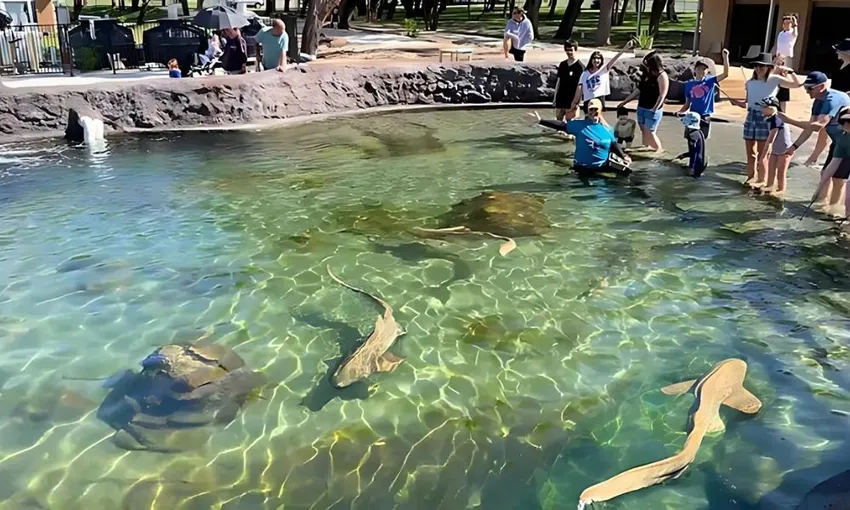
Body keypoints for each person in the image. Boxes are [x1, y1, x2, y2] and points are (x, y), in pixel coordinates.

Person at [727, 52, 800, 187]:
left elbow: (797, 85)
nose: (759, 69)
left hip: (766, 118)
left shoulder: (774, 80)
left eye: (762, 66)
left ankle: (761, 180)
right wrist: (736, 102)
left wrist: (790, 72)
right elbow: (747, 103)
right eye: (756, 66)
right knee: (750, 153)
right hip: (751, 117)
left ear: (768, 67)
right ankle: (750, 178)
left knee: (763, 153)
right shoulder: (749, 83)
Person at [780, 73, 850, 213]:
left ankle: (835, 211)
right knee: (825, 173)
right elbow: (810, 127)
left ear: (822, 87)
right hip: (838, 142)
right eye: (805, 88)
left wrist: (790, 121)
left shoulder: (831, 100)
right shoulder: (818, 100)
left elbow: (819, 126)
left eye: (809, 89)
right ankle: (821, 204)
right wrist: (794, 147)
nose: (807, 92)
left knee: (838, 179)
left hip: (846, 140)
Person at [530, 98, 632, 175]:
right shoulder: (580, 125)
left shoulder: (607, 129)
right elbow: (562, 126)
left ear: (600, 110)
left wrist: (624, 156)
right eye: (590, 110)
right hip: (582, 168)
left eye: (595, 110)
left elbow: (613, 145)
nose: (593, 112)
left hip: (601, 167)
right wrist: (541, 121)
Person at [806, 38, 850, 166]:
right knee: (823, 129)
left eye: (839, 50)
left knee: (834, 129)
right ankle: (815, 156)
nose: (836, 52)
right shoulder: (839, 64)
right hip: (831, 98)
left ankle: (828, 159)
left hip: (843, 103)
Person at [616, 51, 669, 152]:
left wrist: (655, 108)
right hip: (642, 107)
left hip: (653, 109)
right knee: (643, 130)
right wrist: (625, 101)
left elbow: (662, 94)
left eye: (647, 63)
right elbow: (638, 89)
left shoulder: (662, 75)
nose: (645, 65)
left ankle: (659, 151)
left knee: (650, 131)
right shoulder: (646, 74)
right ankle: (646, 148)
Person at [678, 49, 730, 139]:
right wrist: (680, 112)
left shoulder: (710, 81)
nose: (701, 71)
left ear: (707, 71)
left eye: (704, 69)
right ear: (695, 70)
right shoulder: (689, 85)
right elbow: (687, 103)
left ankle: (700, 152)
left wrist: (725, 58)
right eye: (699, 68)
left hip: (705, 115)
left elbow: (725, 74)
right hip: (693, 115)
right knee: (690, 137)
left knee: (702, 138)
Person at [575, 40, 633, 117]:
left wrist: (625, 48)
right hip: (588, 99)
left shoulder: (603, 70)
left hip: (599, 98)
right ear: (591, 60)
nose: (596, 60)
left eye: (598, 58)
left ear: (601, 60)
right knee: (588, 118)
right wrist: (576, 101)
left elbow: (614, 59)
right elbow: (580, 87)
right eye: (594, 58)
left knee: (599, 118)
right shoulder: (585, 73)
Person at [811, 108, 850, 219]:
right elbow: (834, 163)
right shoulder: (843, 138)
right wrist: (819, 188)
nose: (846, 124)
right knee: (848, 199)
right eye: (844, 121)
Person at [759, 96, 792, 197]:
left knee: (781, 173)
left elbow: (770, 140)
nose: (762, 109)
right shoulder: (771, 118)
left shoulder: (777, 119)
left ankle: (781, 191)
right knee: (771, 170)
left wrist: (763, 157)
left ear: (771, 108)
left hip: (785, 150)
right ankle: (769, 186)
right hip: (776, 149)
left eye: (764, 107)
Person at [553, 39, 584, 122]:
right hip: (561, 97)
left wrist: (578, 101)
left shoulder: (580, 67)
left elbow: (581, 86)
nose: (569, 52)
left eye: (571, 50)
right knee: (558, 121)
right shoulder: (562, 64)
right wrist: (555, 98)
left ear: (575, 49)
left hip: (572, 99)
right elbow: (558, 81)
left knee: (571, 121)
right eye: (567, 50)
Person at [675, 111, 707, 178]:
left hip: (696, 166)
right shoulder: (699, 132)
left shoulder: (691, 135)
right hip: (702, 163)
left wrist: (691, 168)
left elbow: (693, 152)